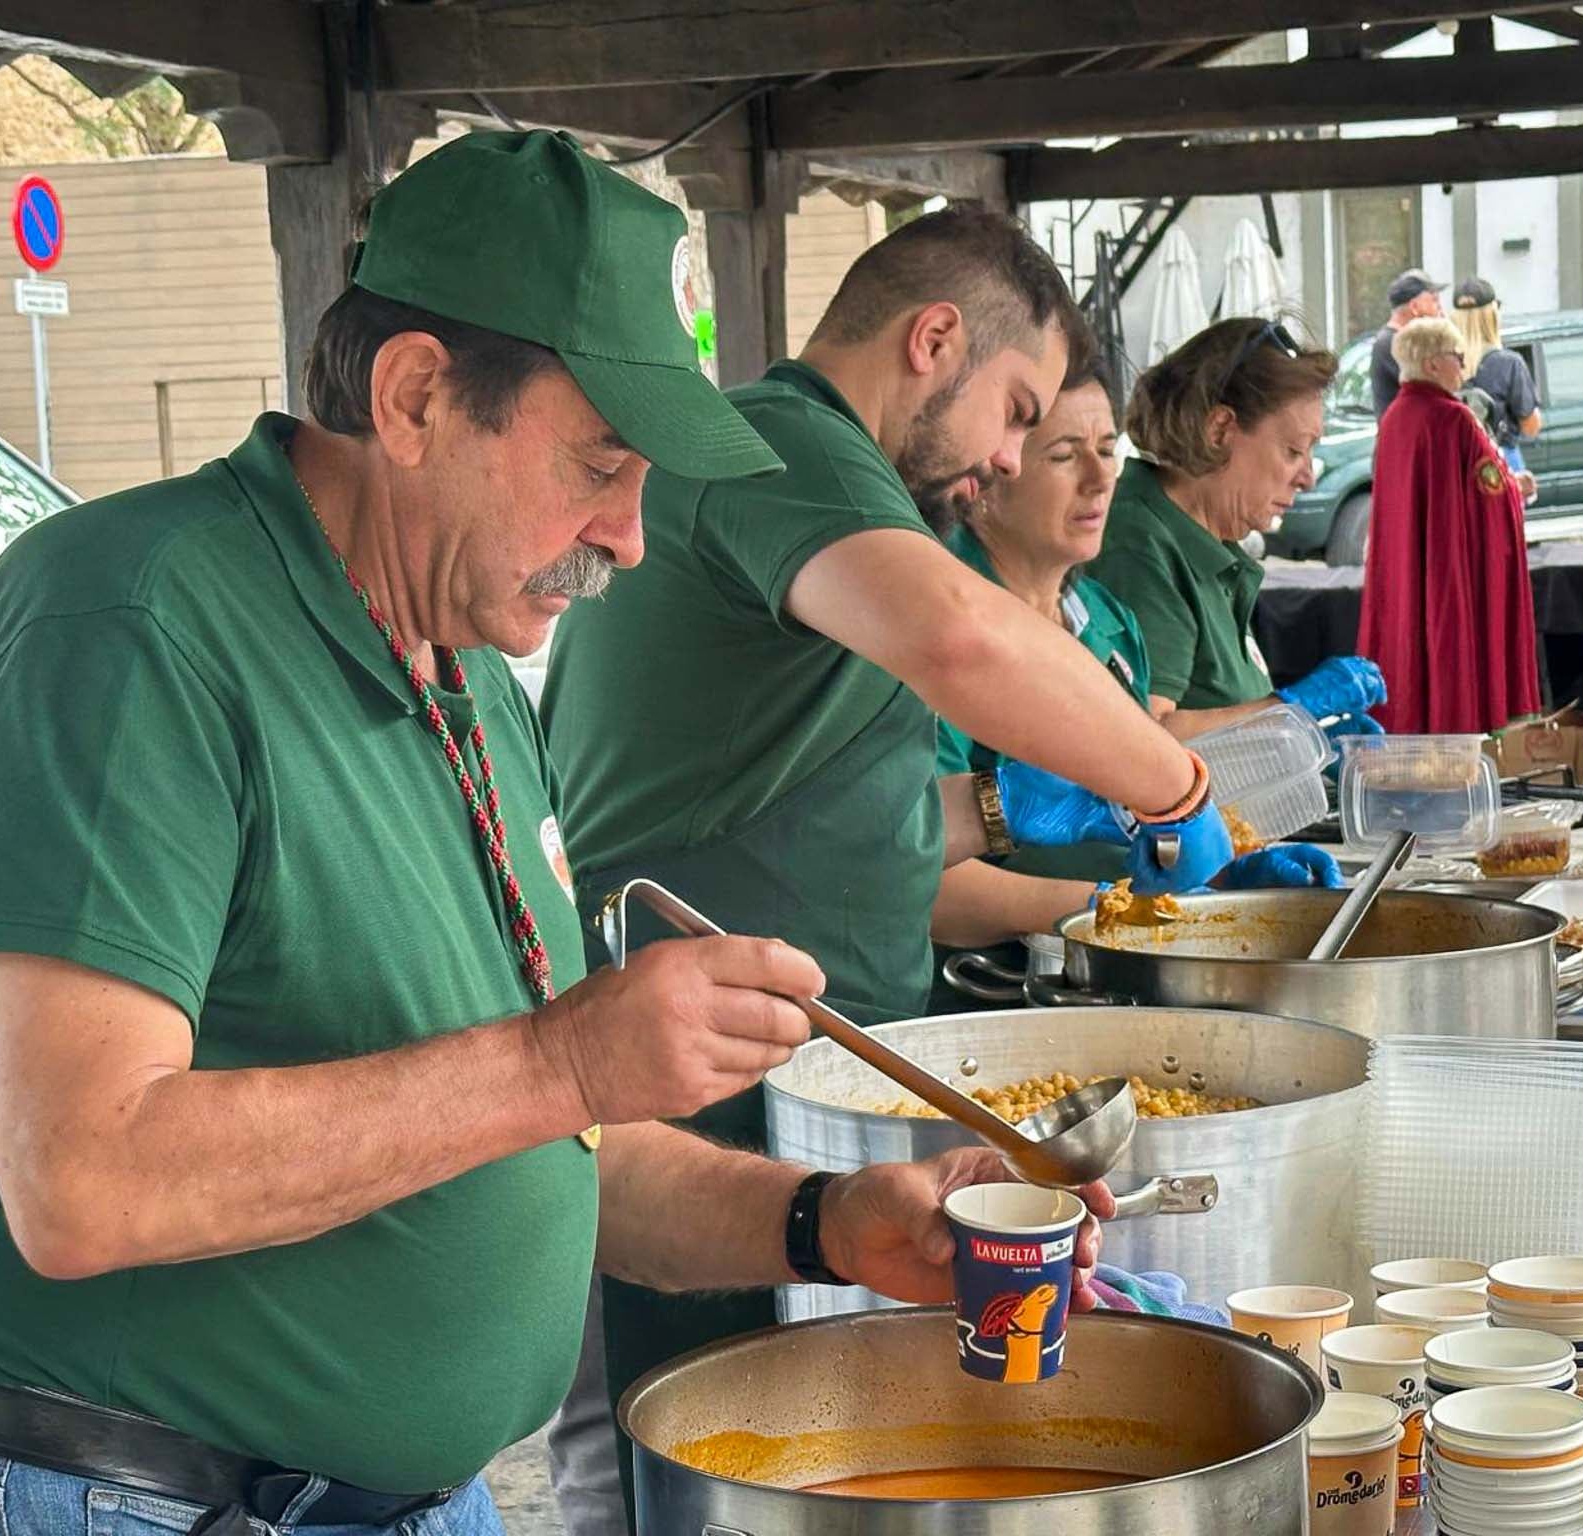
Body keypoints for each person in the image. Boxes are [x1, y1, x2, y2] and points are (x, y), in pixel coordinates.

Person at [0, 131, 1114, 1536]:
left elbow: (533, 1128)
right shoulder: (131, 622)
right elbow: (83, 1180)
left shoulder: (461, 675)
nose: (633, 537)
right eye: (599, 464)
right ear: (415, 399)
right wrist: (566, 1055)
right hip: (120, 1497)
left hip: (396, 1500)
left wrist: (822, 1218)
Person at [538, 206, 1231, 1527]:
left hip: (803, 1084)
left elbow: (845, 795)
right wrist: (1169, 781)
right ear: (934, 341)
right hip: (699, 1109)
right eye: (1018, 414)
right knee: (691, 1479)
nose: (1011, 461)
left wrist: (1038, 825)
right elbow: (961, 642)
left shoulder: (830, 498)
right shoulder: (782, 443)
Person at [931, 338, 1342, 986]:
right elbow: (923, 887)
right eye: (1066, 455)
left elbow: (1140, 826)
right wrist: (1111, 909)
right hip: (991, 985)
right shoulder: (938, 626)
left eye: (1105, 451)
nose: (1102, 479)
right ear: (988, 474)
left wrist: (1228, 875)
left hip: (1116, 975)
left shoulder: (1108, 623)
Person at [1086, 317, 1389, 744]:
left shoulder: (1205, 540)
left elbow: (1220, 719)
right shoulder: (1140, 544)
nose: (1307, 478)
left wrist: (1305, 743)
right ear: (1220, 430)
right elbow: (1145, 741)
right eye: (1292, 450)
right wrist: (1292, 713)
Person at [1358, 316, 1542, 734]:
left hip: (1407, 566)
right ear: (1433, 363)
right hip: (1447, 569)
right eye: (1457, 357)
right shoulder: (1453, 419)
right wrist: (1516, 487)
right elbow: (1490, 495)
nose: (1464, 367)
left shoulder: (1395, 418)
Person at [1451, 275, 1543, 471]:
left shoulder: (1440, 363)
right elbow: (1531, 427)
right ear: (1492, 315)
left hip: (1453, 463)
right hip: (1500, 461)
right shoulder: (1509, 364)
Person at [1370, 268, 1446, 419]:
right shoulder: (1391, 343)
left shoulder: (1401, 341)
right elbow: (1435, 389)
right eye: (1434, 301)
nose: (1440, 310)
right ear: (1414, 307)